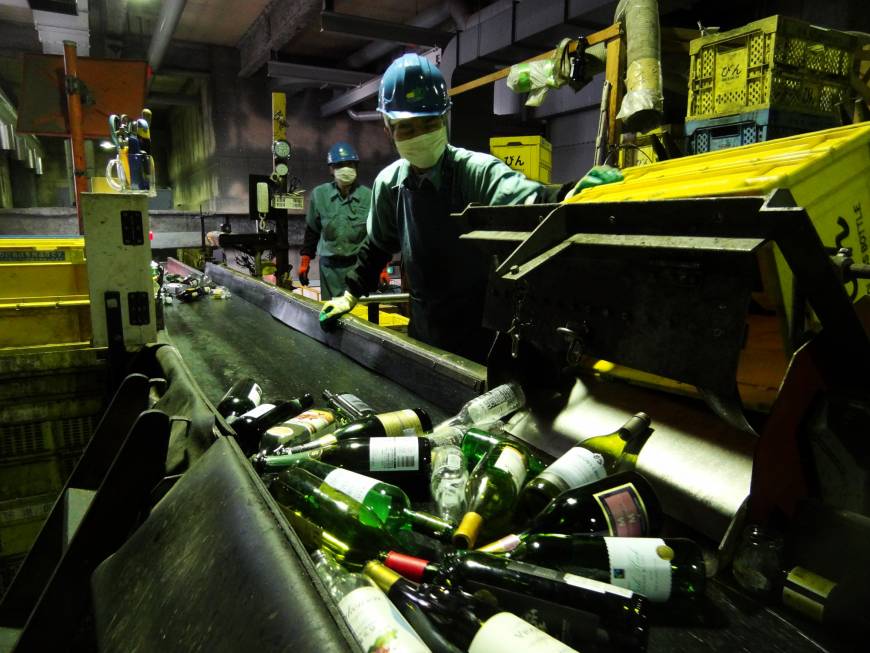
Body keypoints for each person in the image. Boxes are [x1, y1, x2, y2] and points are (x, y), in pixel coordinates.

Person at [319, 53, 621, 362]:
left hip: (483, 331)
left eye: (429, 123)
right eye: (407, 128)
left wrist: (571, 194)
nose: (420, 135)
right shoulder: (390, 184)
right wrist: (349, 294)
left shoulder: (475, 171)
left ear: (444, 120)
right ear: (387, 129)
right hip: (425, 329)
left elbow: (529, 200)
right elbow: (378, 245)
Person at [298, 142, 372, 300]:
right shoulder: (320, 195)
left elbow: (376, 235)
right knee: (331, 312)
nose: (346, 169)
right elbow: (312, 230)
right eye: (340, 165)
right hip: (329, 268)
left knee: (359, 313)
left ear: (356, 167)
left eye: (350, 164)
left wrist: (383, 269)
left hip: (358, 266)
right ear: (331, 169)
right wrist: (305, 263)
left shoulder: (368, 196)